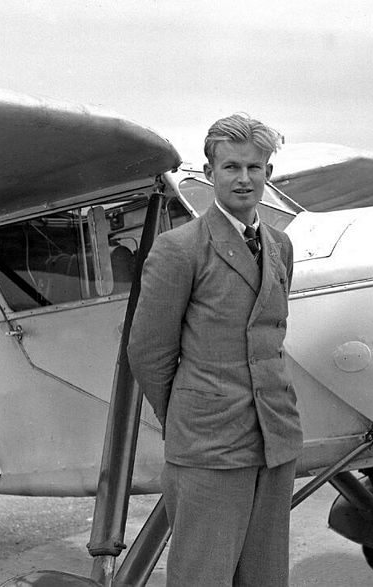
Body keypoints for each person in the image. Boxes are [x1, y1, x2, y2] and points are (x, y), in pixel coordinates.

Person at [127, 113, 303, 586]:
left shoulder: (280, 246)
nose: (243, 178)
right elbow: (148, 352)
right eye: (231, 167)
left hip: (275, 437)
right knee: (202, 577)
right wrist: (190, 416)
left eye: (254, 167)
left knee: (265, 577)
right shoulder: (180, 248)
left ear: (268, 173)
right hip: (208, 445)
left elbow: (270, 336)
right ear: (210, 174)